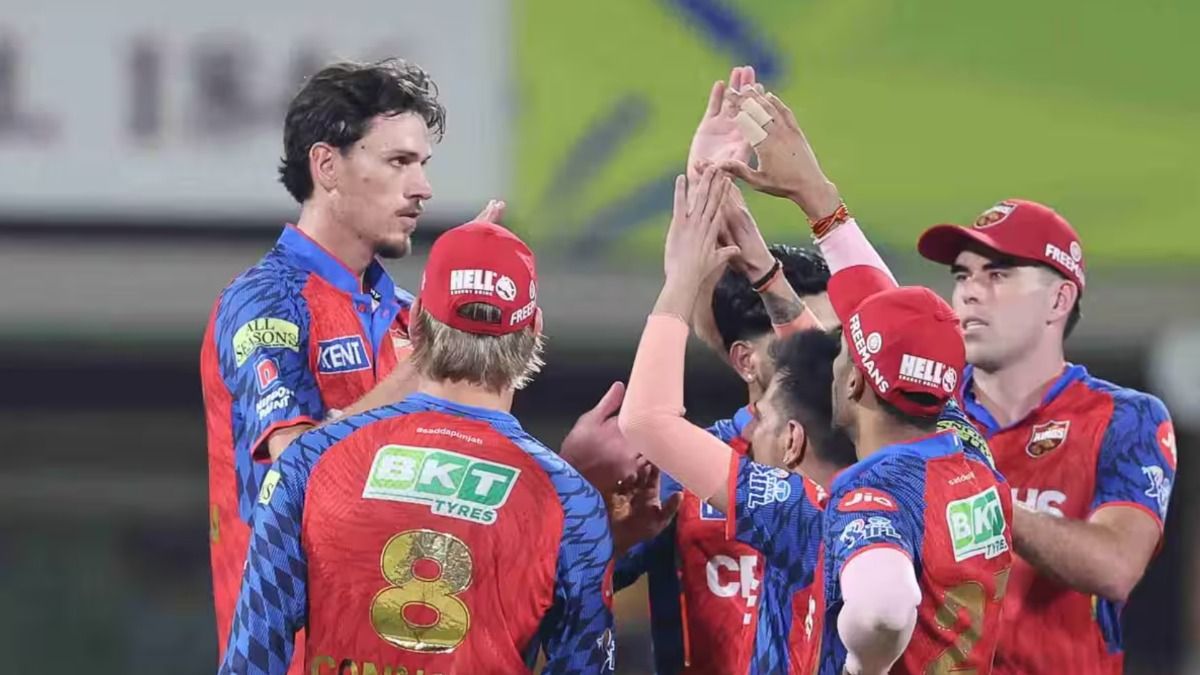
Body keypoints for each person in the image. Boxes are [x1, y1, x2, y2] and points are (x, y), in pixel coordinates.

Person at [717, 74, 1175, 674]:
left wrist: (968, 496)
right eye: (962, 275)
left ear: (1060, 299)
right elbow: (878, 324)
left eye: (999, 274)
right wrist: (814, 201)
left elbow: (1114, 567)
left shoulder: (1122, 417)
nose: (971, 291)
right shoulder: (927, 404)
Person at [199, 58, 512, 669]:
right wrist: (429, 358)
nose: (422, 188)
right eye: (398, 162)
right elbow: (293, 468)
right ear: (327, 166)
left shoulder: (410, 318)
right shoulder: (264, 302)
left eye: (423, 164)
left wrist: (578, 476)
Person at [219, 222, 622, 674]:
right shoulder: (570, 502)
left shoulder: (308, 464)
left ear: (414, 322)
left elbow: (251, 663)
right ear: (534, 331)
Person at [617, 166, 854, 674]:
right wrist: (610, 527)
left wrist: (682, 280)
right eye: (809, 334)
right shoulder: (679, 472)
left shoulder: (864, 467)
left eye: (832, 337)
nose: (826, 353)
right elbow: (591, 576)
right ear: (746, 360)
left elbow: (648, 418)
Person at [814, 265, 1014, 674]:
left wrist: (859, 670)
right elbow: (917, 340)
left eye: (840, 352)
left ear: (854, 381)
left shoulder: (874, 492)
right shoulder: (978, 468)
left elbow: (883, 613)